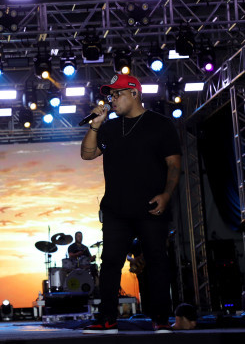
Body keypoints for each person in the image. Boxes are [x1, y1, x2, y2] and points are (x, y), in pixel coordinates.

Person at [80, 74, 181, 334]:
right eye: (110, 95)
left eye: (117, 94)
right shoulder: (110, 128)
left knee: (157, 260)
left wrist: (167, 194)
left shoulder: (161, 124)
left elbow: (173, 164)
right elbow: (87, 154)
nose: (112, 100)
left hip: (150, 205)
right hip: (116, 208)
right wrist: (95, 125)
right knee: (111, 262)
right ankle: (107, 319)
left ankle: (160, 318)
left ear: (134, 93)